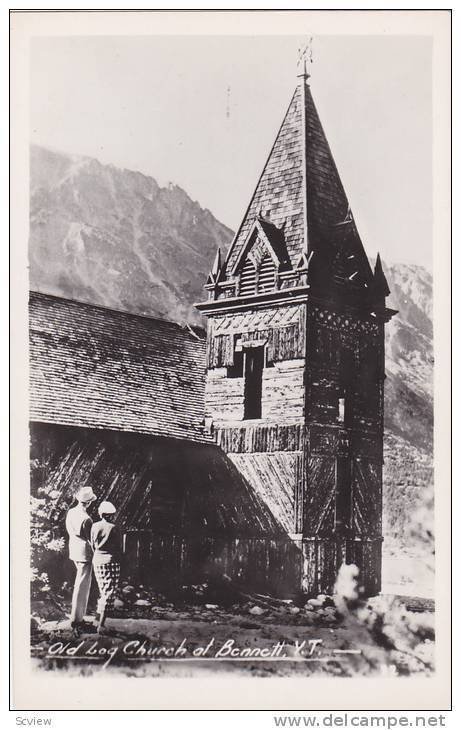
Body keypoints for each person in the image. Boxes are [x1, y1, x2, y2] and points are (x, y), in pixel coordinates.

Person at [65, 486, 97, 635]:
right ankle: (77, 620)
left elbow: (69, 531)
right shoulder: (87, 519)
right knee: (83, 586)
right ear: (89, 502)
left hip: (74, 549)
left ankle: (77, 617)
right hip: (84, 553)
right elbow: (90, 539)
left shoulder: (71, 512)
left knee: (80, 583)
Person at [90, 501, 122, 633]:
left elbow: (92, 544)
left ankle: (97, 620)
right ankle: (101, 625)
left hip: (97, 559)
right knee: (109, 592)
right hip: (111, 561)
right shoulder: (114, 528)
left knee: (103, 590)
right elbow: (119, 547)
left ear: (101, 513)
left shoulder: (94, 526)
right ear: (111, 515)